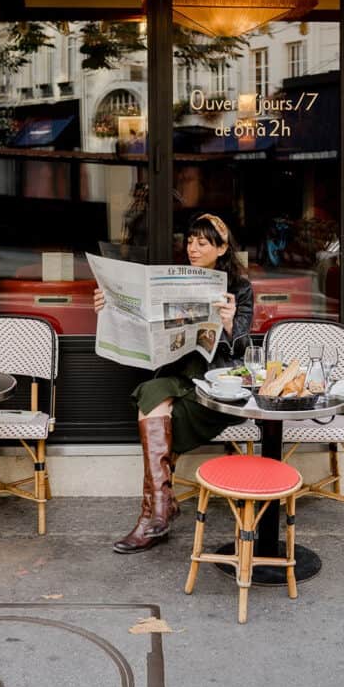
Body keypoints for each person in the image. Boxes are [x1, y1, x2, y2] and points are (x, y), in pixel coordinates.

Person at [93, 212, 254, 553]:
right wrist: (109, 307)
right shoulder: (175, 279)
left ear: (223, 248)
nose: (193, 249)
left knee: (155, 411)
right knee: (151, 395)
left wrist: (228, 325)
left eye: (203, 243)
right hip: (179, 374)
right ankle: (159, 510)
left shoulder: (240, 289)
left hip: (216, 386)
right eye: (190, 241)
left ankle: (153, 514)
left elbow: (241, 349)